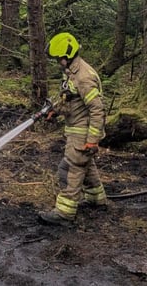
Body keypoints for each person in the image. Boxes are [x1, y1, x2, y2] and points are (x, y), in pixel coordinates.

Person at [40, 32, 108, 226]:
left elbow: (97, 109)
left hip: (82, 132)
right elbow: (71, 100)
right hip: (78, 130)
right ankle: (96, 199)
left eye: (58, 58)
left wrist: (92, 140)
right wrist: (55, 110)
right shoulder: (73, 72)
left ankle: (64, 212)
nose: (57, 62)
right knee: (85, 165)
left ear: (66, 55)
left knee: (69, 168)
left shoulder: (84, 77)